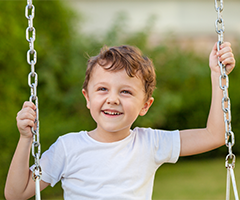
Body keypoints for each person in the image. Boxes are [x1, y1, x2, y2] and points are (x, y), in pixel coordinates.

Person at [5, 42, 235, 200]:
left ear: (145, 105)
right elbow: (16, 194)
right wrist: (26, 139)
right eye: (103, 89)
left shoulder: (150, 143)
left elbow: (214, 136)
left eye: (125, 92)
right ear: (87, 97)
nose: (112, 99)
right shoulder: (68, 147)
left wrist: (218, 76)